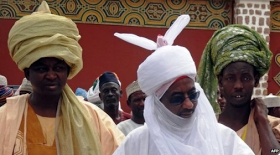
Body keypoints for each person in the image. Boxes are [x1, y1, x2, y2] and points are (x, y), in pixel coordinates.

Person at [113, 14, 254, 155]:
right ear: (158, 103)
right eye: (177, 98)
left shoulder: (223, 138)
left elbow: (275, 151)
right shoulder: (137, 143)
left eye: (193, 95)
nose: (189, 104)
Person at [0, 1, 124, 155]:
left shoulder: (93, 118)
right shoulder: (6, 118)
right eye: (42, 69)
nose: (51, 75)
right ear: (27, 73)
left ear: (68, 71)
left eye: (58, 68)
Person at [197, 24, 280, 155]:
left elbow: (275, 152)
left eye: (246, 78)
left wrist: (262, 122)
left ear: (256, 80)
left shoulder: (273, 126)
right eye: (230, 78)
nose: (238, 86)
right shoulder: (205, 128)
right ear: (220, 81)